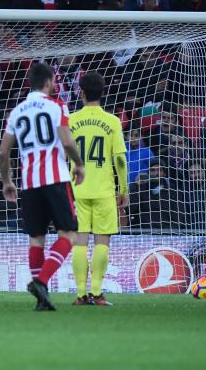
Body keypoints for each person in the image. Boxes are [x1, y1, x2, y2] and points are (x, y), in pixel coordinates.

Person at [0, 62, 85, 311]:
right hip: (55, 179)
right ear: (48, 82)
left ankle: (41, 299)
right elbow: (67, 142)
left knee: (36, 238)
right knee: (69, 234)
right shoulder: (56, 106)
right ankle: (41, 280)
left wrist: (7, 182)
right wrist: (79, 164)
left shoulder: (16, 112)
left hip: (28, 183)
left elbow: (3, 154)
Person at [67, 72, 128, 306]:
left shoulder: (70, 121)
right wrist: (124, 189)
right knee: (102, 242)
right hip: (104, 191)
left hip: (77, 190)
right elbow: (120, 159)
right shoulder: (112, 121)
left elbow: (61, 156)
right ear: (102, 93)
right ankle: (96, 292)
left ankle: (81, 294)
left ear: (81, 92)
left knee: (79, 242)